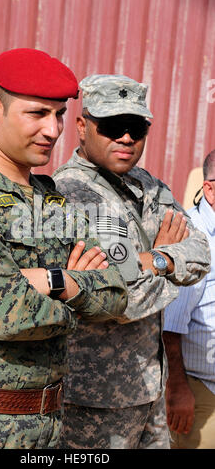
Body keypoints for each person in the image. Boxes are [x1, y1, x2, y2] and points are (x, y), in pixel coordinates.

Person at [0, 50, 128, 449]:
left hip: (49, 428)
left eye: (59, 114)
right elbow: (4, 312)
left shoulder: (53, 200)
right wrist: (80, 296)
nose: (54, 130)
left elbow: (116, 293)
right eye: (38, 113)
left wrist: (55, 281)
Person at [53, 74, 210, 449]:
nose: (126, 137)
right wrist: (169, 261)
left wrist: (151, 259)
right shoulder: (68, 195)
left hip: (151, 389)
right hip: (94, 401)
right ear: (82, 126)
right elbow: (120, 299)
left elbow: (202, 253)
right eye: (111, 126)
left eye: (136, 127)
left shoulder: (149, 185)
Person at [163, 150, 215, 449]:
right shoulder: (192, 238)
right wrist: (178, 389)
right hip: (197, 390)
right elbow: (170, 325)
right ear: (209, 188)